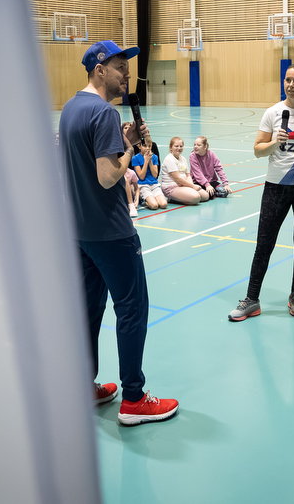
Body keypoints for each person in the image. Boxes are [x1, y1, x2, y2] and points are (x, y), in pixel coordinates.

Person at [58, 39, 178, 426]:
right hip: (111, 232)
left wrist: (122, 144)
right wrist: (130, 151)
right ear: (99, 70)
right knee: (132, 309)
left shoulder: (70, 108)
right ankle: (134, 399)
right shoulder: (103, 112)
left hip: (79, 232)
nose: (127, 74)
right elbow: (108, 176)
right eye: (120, 67)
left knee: (89, 311)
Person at [229, 64, 294, 321]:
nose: (291, 85)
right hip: (276, 187)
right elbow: (257, 150)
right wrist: (275, 142)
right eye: (288, 80)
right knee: (264, 243)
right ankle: (252, 299)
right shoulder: (272, 113)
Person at [160, 137, 209, 205]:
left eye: (181, 146)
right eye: (176, 146)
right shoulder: (169, 159)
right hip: (171, 188)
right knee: (196, 197)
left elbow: (188, 175)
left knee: (205, 196)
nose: (179, 148)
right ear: (171, 147)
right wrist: (192, 186)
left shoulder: (183, 159)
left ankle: (184, 196)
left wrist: (191, 185)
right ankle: (172, 198)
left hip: (183, 185)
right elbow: (177, 178)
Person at [131, 142, 166, 210]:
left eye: (149, 146)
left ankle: (152, 198)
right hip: (143, 185)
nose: (147, 148)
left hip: (154, 185)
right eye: (145, 146)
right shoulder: (135, 158)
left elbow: (155, 175)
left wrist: (150, 161)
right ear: (139, 146)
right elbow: (141, 177)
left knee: (163, 204)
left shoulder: (154, 157)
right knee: (154, 206)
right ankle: (144, 200)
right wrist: (146, 161)